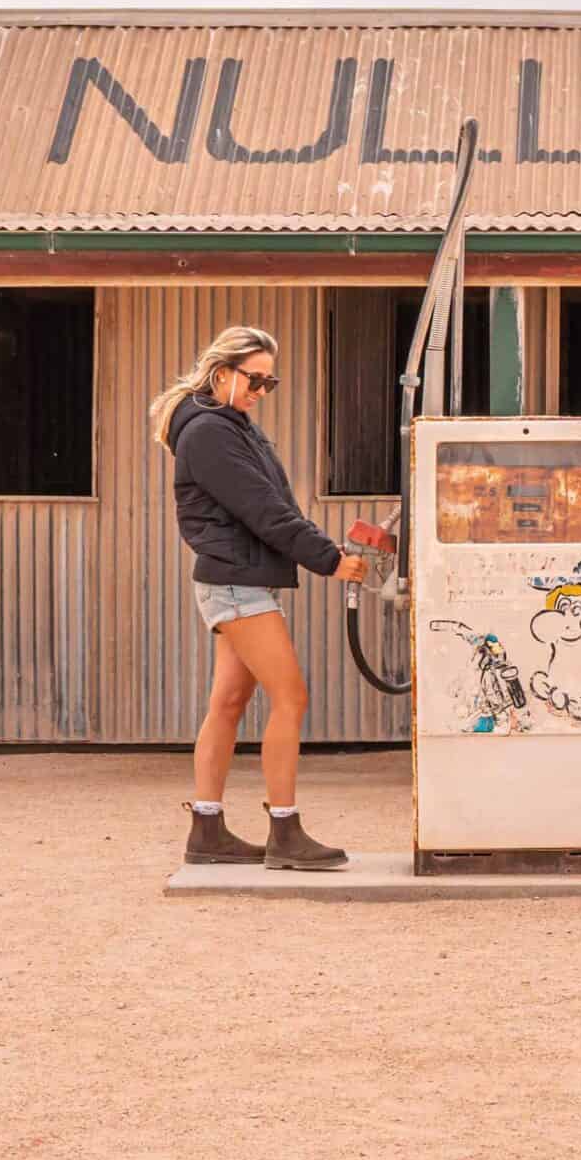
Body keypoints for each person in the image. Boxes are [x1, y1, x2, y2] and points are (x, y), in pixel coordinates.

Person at [151, 326, 369, 868]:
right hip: (235, 581)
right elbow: (263, 512)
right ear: (221, 372)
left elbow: (276, 506)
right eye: (254, 378)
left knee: (227, 704)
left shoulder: (234, 428)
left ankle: (207, 832)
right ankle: (285, 834)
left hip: (239, 576)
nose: (261, 390)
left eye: (268, 381)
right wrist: (329, 560)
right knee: (291, 697)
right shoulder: (209, 433)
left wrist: (326, 547)